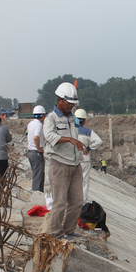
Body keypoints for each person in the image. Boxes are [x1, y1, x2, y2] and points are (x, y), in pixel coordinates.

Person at [44, 82, 86, 240]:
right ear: (60, 100)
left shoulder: (72, 118)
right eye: (69, 103)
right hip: (60, 165)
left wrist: (78, 143)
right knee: (60, 202)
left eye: (73, 104)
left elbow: (77, 132)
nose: (71, 107)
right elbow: (50, 137)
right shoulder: (51, 118)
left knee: (77, 201)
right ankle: (56, 233)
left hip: (75, 165)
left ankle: (69, 230)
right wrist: (69, 139)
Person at [74, 109, 103, 203]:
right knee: (84, 181)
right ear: (84, 120)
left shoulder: (70, 131)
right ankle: (83, 202)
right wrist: (89, 148)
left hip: (73, 159)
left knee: (73, 181)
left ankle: (72, 201)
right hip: (85, 160)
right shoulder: (88, 131)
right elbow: (99, 141)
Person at [27, 105, 47, 192]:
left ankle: (37, 193)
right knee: (38, 175)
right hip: (36, 153)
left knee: (36, 174)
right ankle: (37, 195)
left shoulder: (30, 124)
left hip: (30, 152)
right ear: (42, 116)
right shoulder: (39, 125)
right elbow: (36, 137)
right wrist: (39, 148)